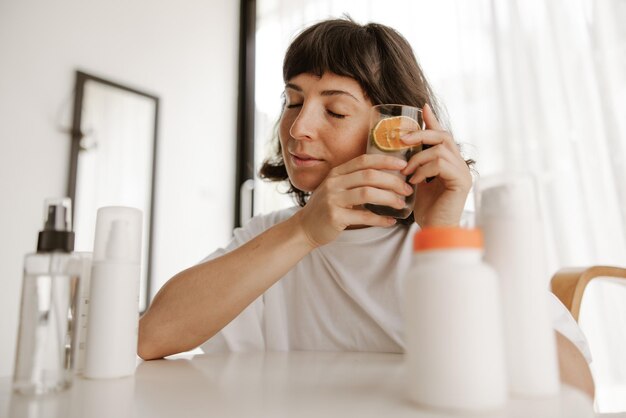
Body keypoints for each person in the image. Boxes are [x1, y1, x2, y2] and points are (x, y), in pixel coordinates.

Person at [138, 18, 594, 398]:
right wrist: (305, 232)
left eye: (334, 111)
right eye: (293, 102)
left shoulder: (467, 239)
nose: (298, 128)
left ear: (397, 130)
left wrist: (442, 238)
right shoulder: (270, 238)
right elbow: (151, 337)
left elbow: (576, 389)